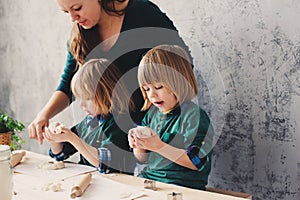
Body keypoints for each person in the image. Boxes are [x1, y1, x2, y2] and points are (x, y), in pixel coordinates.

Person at [28, 0, 192, 144]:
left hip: (153, 130)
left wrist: (160, 116)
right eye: (66, 12)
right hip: (111, 130)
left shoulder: (143, 13)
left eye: (77, 8)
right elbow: (68, 84)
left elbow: (183, 64)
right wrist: (44, 115)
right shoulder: (80, 35)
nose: (72, 18)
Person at [128, 45, 214, 190]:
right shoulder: (151, 114)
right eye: (147, 89)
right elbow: (143, 160)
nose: (152, 95)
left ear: (179, 81)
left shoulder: (194, 116)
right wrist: (138, 146)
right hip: (150, 182)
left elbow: (196, 162)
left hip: (181, 187)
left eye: (159, 87)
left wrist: (159, 146)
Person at [43, 58, 135, 174]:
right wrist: (55, 138)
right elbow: (60, 155)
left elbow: (104, 164)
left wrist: (72, 138)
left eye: (87, 98)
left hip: (117, 185)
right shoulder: (90, 121)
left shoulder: (120, 123)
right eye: (80, 98)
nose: (82, 104)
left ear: (107, 93)